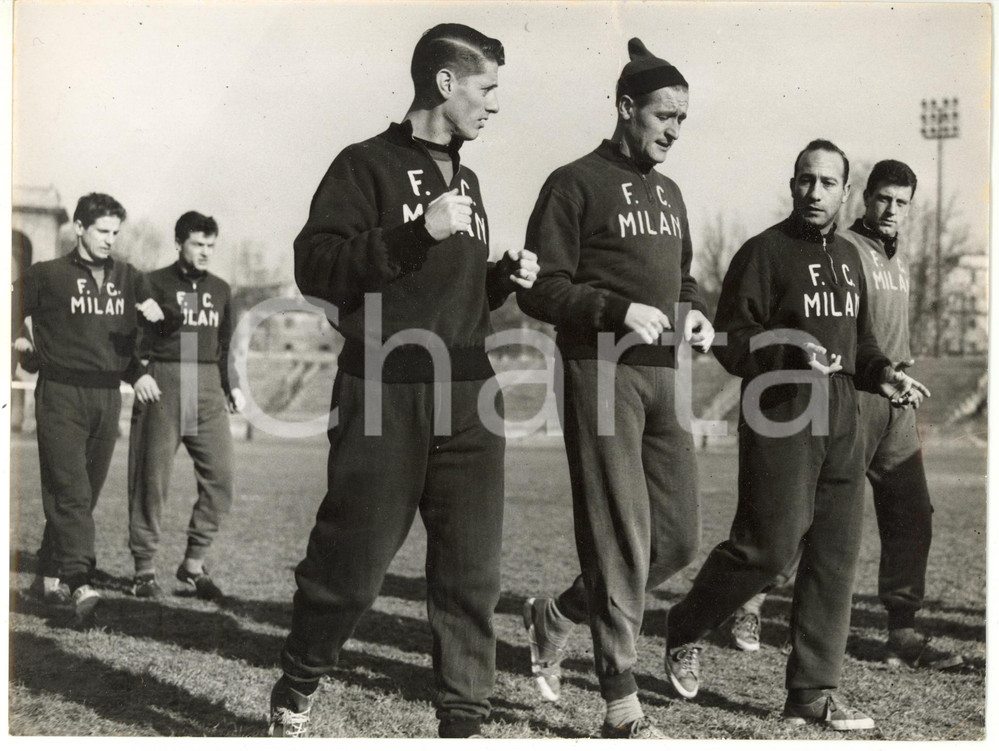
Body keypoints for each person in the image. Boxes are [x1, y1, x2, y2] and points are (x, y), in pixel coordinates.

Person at [267, 23, 538, 739]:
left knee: (471, 578)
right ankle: (297, 684)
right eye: (487, 90)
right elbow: (316, 264)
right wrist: (418, 230)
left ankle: (464, 720)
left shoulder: (469, 179)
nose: (494, 106)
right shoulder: (365, 165)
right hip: (385, 389)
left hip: (472, 391)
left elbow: (450, 292)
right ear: (445, 84)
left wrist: (498, 280)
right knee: (351, 570)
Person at [662, 141, 931, 732]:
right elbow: (730, 342)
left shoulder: (850, 260)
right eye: (806, 181)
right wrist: (787, 349)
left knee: (834, 560)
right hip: (777, 411)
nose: (815, 192)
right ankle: (684, 626)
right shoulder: (763, 252)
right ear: (793, 185)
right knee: (769, 549)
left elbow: (859, 345)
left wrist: (885, 374)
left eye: (827, 183)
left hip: (843, 421)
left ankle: (812, 692)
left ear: (843, 191)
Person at [516, 38, 714, 739]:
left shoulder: (670, 192)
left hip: (664, 375)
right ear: (627, 107)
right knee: (619, 537)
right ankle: (621, 703)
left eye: (684, 119)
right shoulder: (573, 182)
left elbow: (684, 279)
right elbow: (540, 287)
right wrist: (615, 309)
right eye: (664, 114)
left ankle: (559, 614)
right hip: (600, 371)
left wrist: (694, 319)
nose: (674, 130)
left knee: (679, 538)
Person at [728, 160, 962, 671]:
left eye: (902, 202)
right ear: (864, 198)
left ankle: (901, 632)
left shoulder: (896, 257)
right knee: (810, 515)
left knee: (911, 512)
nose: (891, 210)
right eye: (883, 198)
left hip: (894, 400)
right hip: (849, 395)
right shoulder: (844, 248)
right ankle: (748, 604)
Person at [12, 192, 166, 624]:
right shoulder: (46, 275)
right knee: (72, 493)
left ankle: (46, 574)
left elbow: (151, 333)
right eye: (102, 231)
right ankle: (79, 581)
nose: (109, 240)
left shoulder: (130, 277)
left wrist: (153, 328)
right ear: (78, 228)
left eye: (116, 232)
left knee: (80, 495)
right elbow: (11, 312)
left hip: (107, 398)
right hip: (60, 393)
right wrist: (20, 342)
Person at [126, 211, 245, 601]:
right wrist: (138, 373)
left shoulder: (222, 289)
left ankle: (193, 565)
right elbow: (131, 336)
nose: (206, 252)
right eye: (198, 244)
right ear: (179, 244)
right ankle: (144, 570)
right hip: (165, 381)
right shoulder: (152, 282)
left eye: (211, 245)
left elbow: (226, 346)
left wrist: (232, 386)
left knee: (221, 478)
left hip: (207, 382)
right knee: (151, 479)